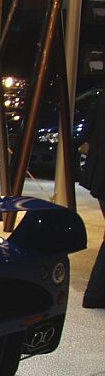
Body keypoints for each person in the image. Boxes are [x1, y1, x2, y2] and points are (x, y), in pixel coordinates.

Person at [80, 91, 105, 308]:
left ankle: (95, 294)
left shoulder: (102, 95)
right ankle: (95, 294)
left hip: (99, 175)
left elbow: (86, 130)